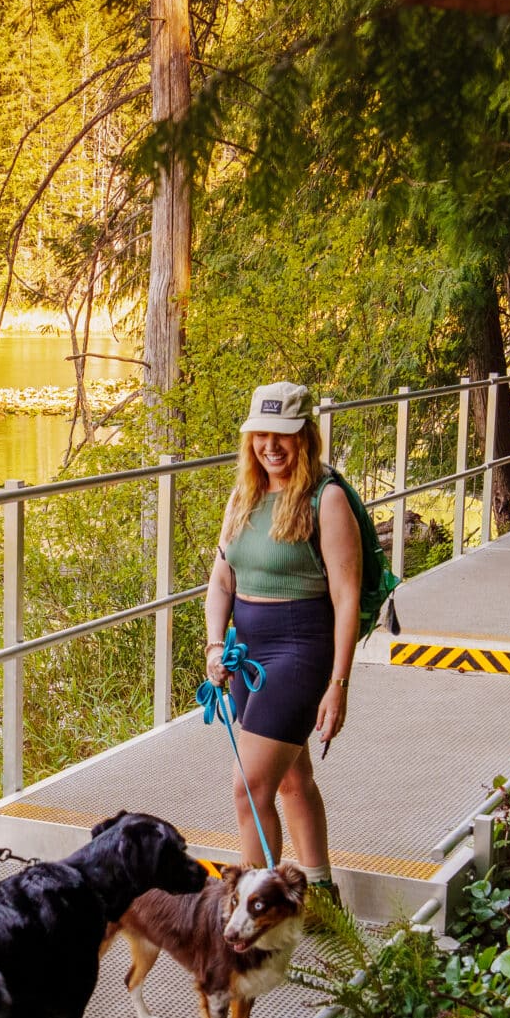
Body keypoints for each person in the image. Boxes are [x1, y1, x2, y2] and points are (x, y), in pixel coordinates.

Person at [202, 382, 360, 900]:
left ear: (306, 436)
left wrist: (338, 683)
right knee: (292, 780)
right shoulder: (244, 495)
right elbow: (221, 581)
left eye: (284, 435)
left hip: (298, 651)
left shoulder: (326, 497)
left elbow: (346, 596)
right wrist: (211, 646)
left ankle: (260, 909)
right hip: (246, 652)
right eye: (261, 435)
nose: (271, 446)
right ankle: (321, 891)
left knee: (249, 788)